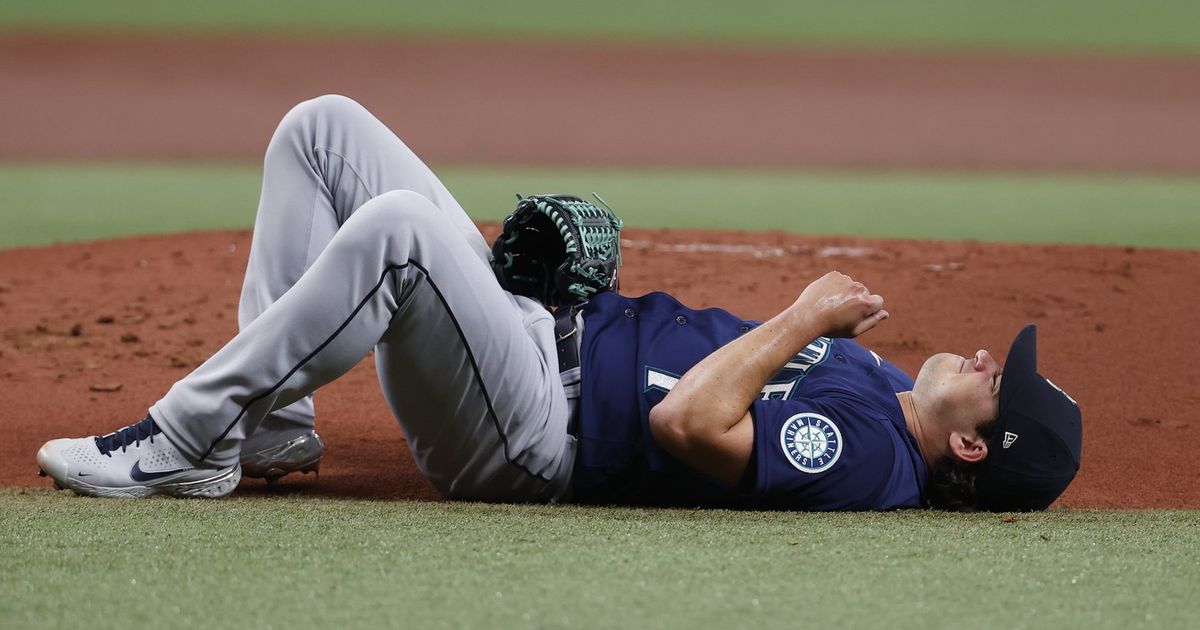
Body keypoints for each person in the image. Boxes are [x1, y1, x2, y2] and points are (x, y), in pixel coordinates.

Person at [35, 95, 1082, 511]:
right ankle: (267, 426)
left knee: (398, 231)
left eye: (1003, 385)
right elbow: (694, 367)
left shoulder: (869, 459)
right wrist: (589, 304)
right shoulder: (892, 392)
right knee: (324, 131)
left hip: (536, 436)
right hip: (542, 349)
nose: (992, 359)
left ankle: (185, 438)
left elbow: (688, 422)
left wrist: (804, 316)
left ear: (977, 449)